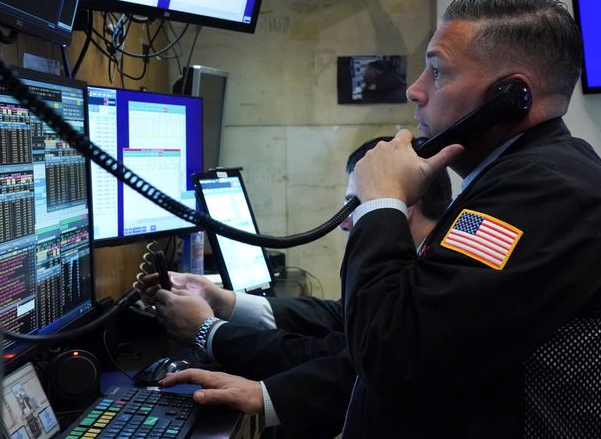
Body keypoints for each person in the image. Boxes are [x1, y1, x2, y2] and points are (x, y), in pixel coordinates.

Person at [341, 0, 601, 437]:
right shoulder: (520, 181)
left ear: (512, 97)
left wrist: (380, 204)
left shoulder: (545, 193)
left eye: (437, 71)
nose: (415, 90)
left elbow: (393, 352)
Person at [144, 136, 452, 438]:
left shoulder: (442, 279)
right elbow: (338, 317)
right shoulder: (429, 261)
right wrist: (225, 302)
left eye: (353, 206)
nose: (343, 222)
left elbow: (349, 359)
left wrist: (207, 331)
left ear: (401, 204)